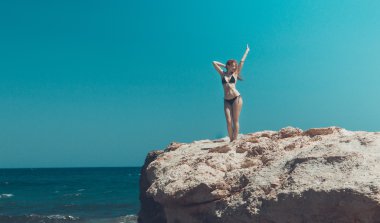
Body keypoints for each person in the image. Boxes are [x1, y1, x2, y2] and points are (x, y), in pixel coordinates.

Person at [212, 44, 250, 142]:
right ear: (228, 66)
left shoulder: (235, 74)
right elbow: (214, 62)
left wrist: (247, 51)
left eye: (235, 66)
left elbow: (241, 62)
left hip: (236, 98)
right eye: (232, 66)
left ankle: (234, 140)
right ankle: (231, 139)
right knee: (228, 121)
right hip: (226, 100)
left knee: (235, 120)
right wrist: (225, 66)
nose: (234, 68)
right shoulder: (222, 74)